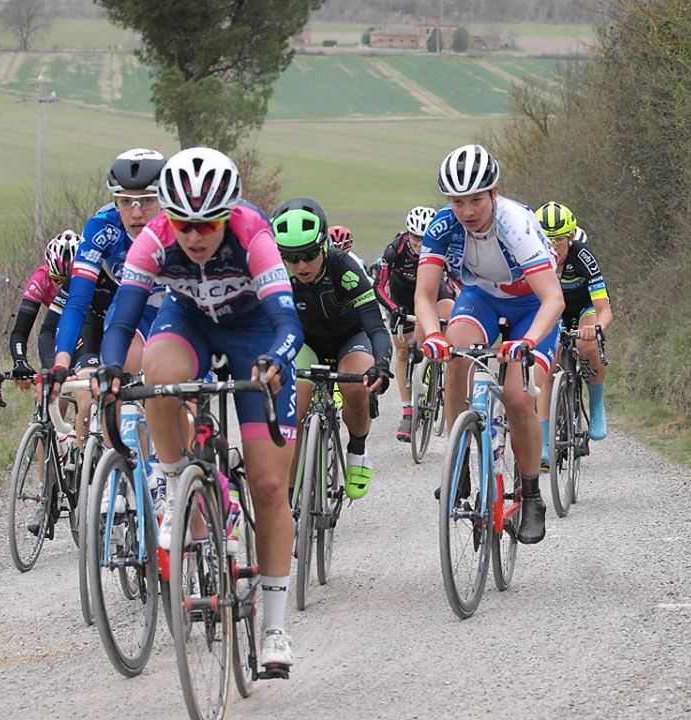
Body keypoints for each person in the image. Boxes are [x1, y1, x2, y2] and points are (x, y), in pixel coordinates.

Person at [94, 147, 303, 672]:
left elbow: (287, 323)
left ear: (227, 215)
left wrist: (277, 359)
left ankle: (275, 627)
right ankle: (171, 482)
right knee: (158, 378)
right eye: (184, 224)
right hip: (187, 322)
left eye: (206, 225)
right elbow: (122, 319)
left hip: (255, 332)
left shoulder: (253, 233)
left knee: (271, 487)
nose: (194, 236)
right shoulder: (155, 238)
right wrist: (111, 368)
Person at [414, 143, 564, 545]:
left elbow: (554, 299)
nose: (467, 211)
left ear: (494, 194)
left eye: (476, 200)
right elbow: (425, 296)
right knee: (454, 354)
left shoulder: (515, 223)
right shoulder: (443, 226)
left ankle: (531, 494)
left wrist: (528, 342)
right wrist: (431, 335)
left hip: (532, 305)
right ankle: (459, 460)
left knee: (517, 397)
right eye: (458, 201)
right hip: (480, 297)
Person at [272, 198, 392, 501]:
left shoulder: (344, 268)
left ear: (324, 245)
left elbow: (376, 327)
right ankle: (288, 500)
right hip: (306, 343)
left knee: (354, 388)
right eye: (291, 257)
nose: (301, 265)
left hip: (349, 339)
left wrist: (381, 363)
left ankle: (357, 452)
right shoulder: (276, 274)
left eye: (310, 254)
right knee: (293, 409)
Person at [51, 148, 167, 381]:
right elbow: (78, 302)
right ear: (115, 201)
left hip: (179, 305)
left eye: (146, 201)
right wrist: (61, 363)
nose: (136, 213)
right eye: (125, 201)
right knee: (115, 379)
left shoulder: (180, 225)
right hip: (132, 306)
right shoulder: (103, 228)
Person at [534, 201, 612, 467]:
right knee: (547, 368)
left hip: (584, 307)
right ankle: (544, 443)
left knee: (587, 345)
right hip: (554, 310)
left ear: (570, 237)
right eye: (547, 240)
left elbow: (604, 309)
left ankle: (597, 404)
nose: (553, 247)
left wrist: (597, 328)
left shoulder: (582, 256)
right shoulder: (533, 257)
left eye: (558, 241)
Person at [373, 205, 456, 441]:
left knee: (451, 316)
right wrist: (392, 309)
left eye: (425, 238)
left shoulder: (442, 249)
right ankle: (408, 412)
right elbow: (378, 286)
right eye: (416, 238)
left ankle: (445, 368)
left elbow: (458, 280)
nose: (420, 244)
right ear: (408, 234)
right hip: (402, 302)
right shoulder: (394, 250)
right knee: (402, 353)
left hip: (433, 296)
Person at [9, 231, 79, 390]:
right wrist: (20, 361)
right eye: (57, 279)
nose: (63, 287)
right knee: (55, 390)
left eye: (69, 281)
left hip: (84, 327)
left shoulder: (89, 278)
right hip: (56, 329)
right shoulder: (41, 279)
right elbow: (20, 331)